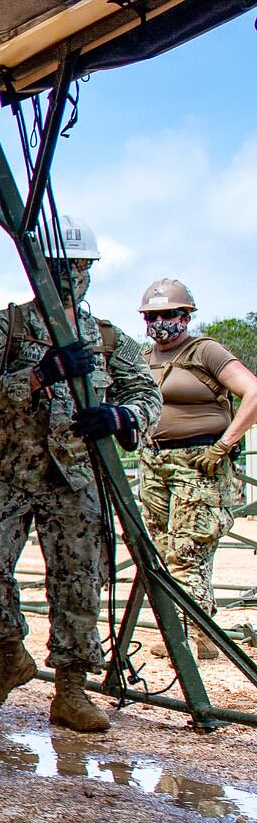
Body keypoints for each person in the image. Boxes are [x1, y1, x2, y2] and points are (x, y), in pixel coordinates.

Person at [0, 222, 160, 733]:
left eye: (80, 268)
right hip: (4, 470)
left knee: (79, 580)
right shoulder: (5, 328)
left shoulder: (107, 339)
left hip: (74, 475)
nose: (71, 278)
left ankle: (71, 690)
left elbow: (147, 395)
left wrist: (123, 418)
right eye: (62, 267)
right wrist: (37, 376)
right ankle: (10, 654)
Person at [137, 278, 257, 660]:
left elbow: (253, 392)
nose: (160, 322)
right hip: (155, 462)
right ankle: (198, 636)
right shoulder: (143, 358)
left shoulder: (205, 351)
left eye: (168, 314)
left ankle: (189, 639)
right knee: (161, 551)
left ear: (185, 316)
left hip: (200, 464)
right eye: (153, 316)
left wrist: (225, 444)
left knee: (188, 553)